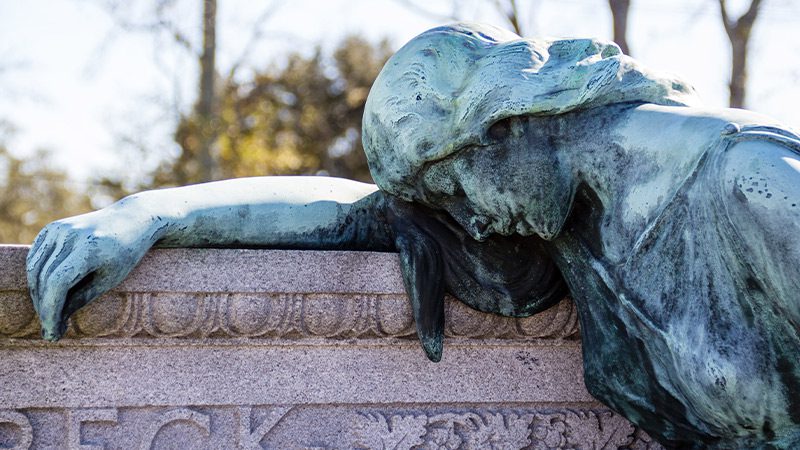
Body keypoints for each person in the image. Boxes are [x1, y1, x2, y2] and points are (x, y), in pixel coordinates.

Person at [26, 23, 800, 448]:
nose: (464, 219)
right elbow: (350, 209)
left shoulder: (750, 177)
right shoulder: (569, 219)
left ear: (505, 127)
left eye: (452, 186)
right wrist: (154, 214)